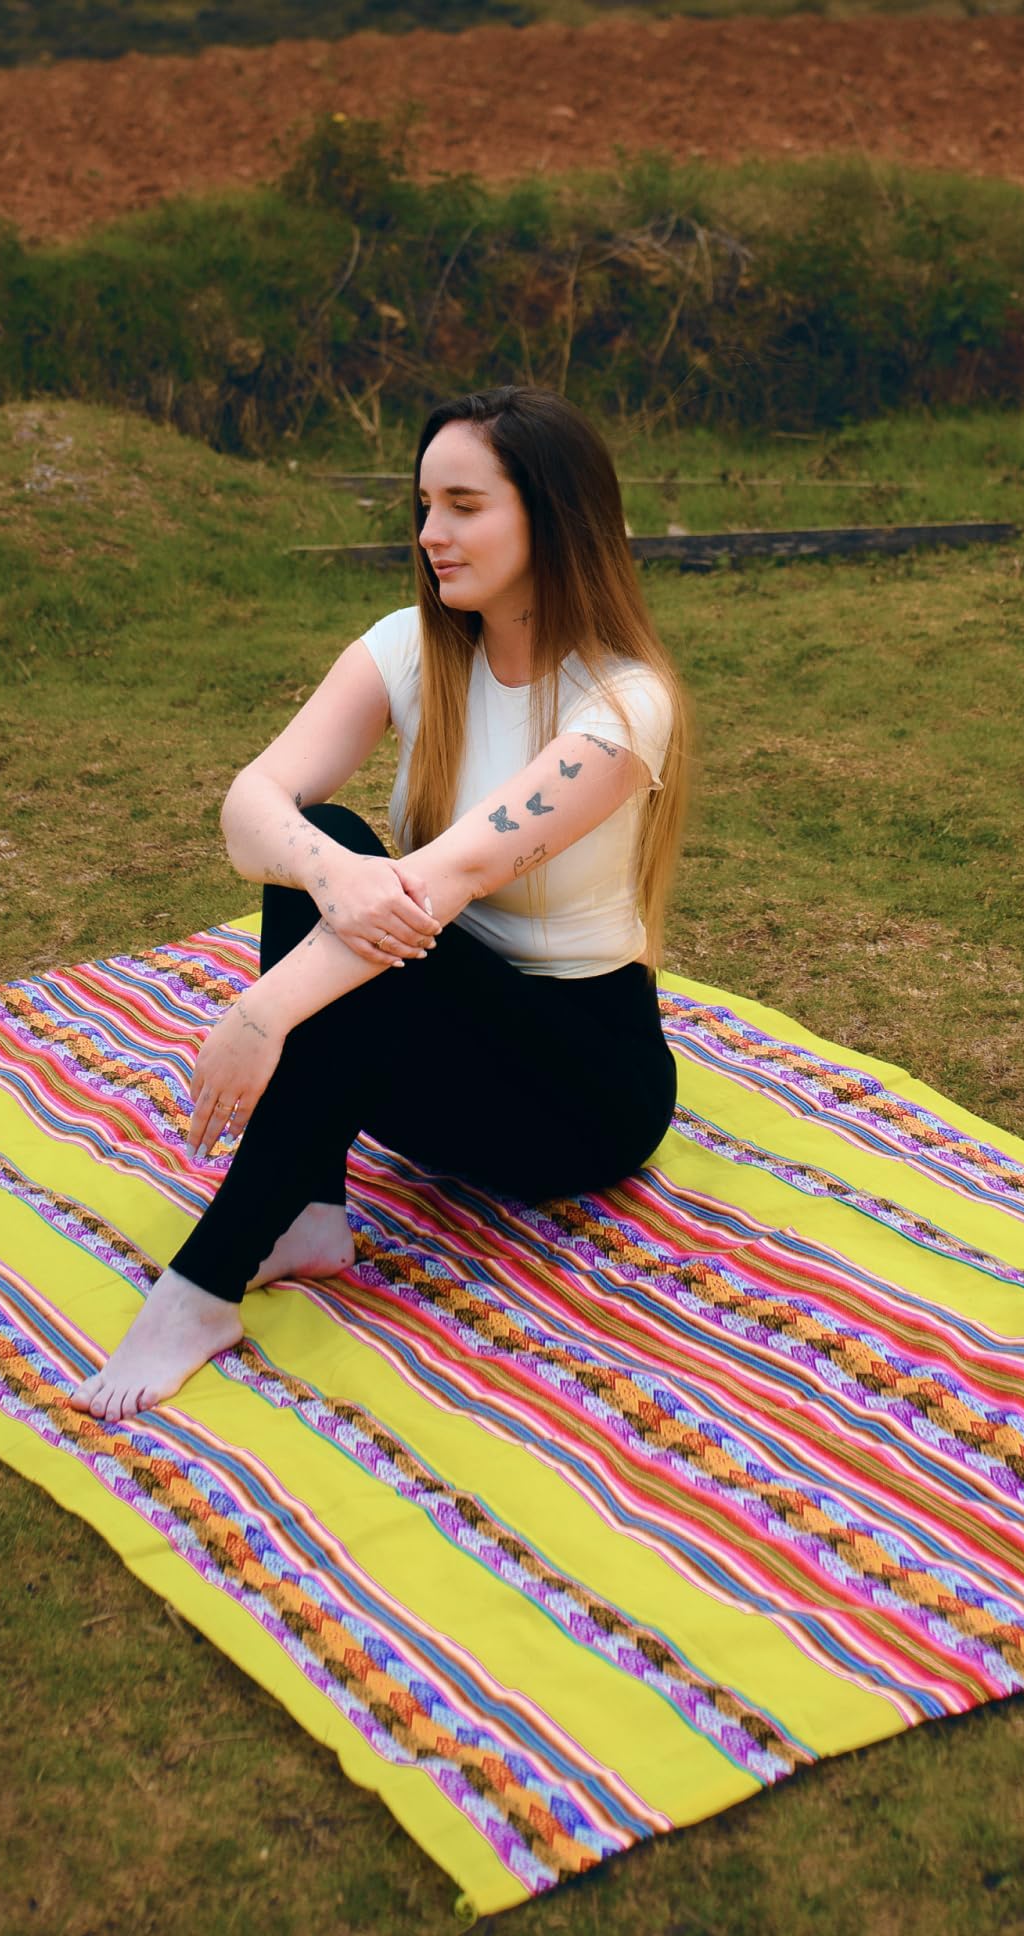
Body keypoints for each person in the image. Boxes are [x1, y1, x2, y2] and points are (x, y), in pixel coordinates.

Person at [69, 384, 693, 1422]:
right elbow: (247, 808)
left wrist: (260, 1013)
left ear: (551, 513)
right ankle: (309, 1204)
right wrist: (330, 872)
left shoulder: (623, 703)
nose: (429, 534)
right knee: (336, 858)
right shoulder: (410, 645)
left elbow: (448, 879)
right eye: (422, 505)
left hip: (580, 1098)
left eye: (462, 504)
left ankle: (203, 1284)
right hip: (432, 1064)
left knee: (372, 888)